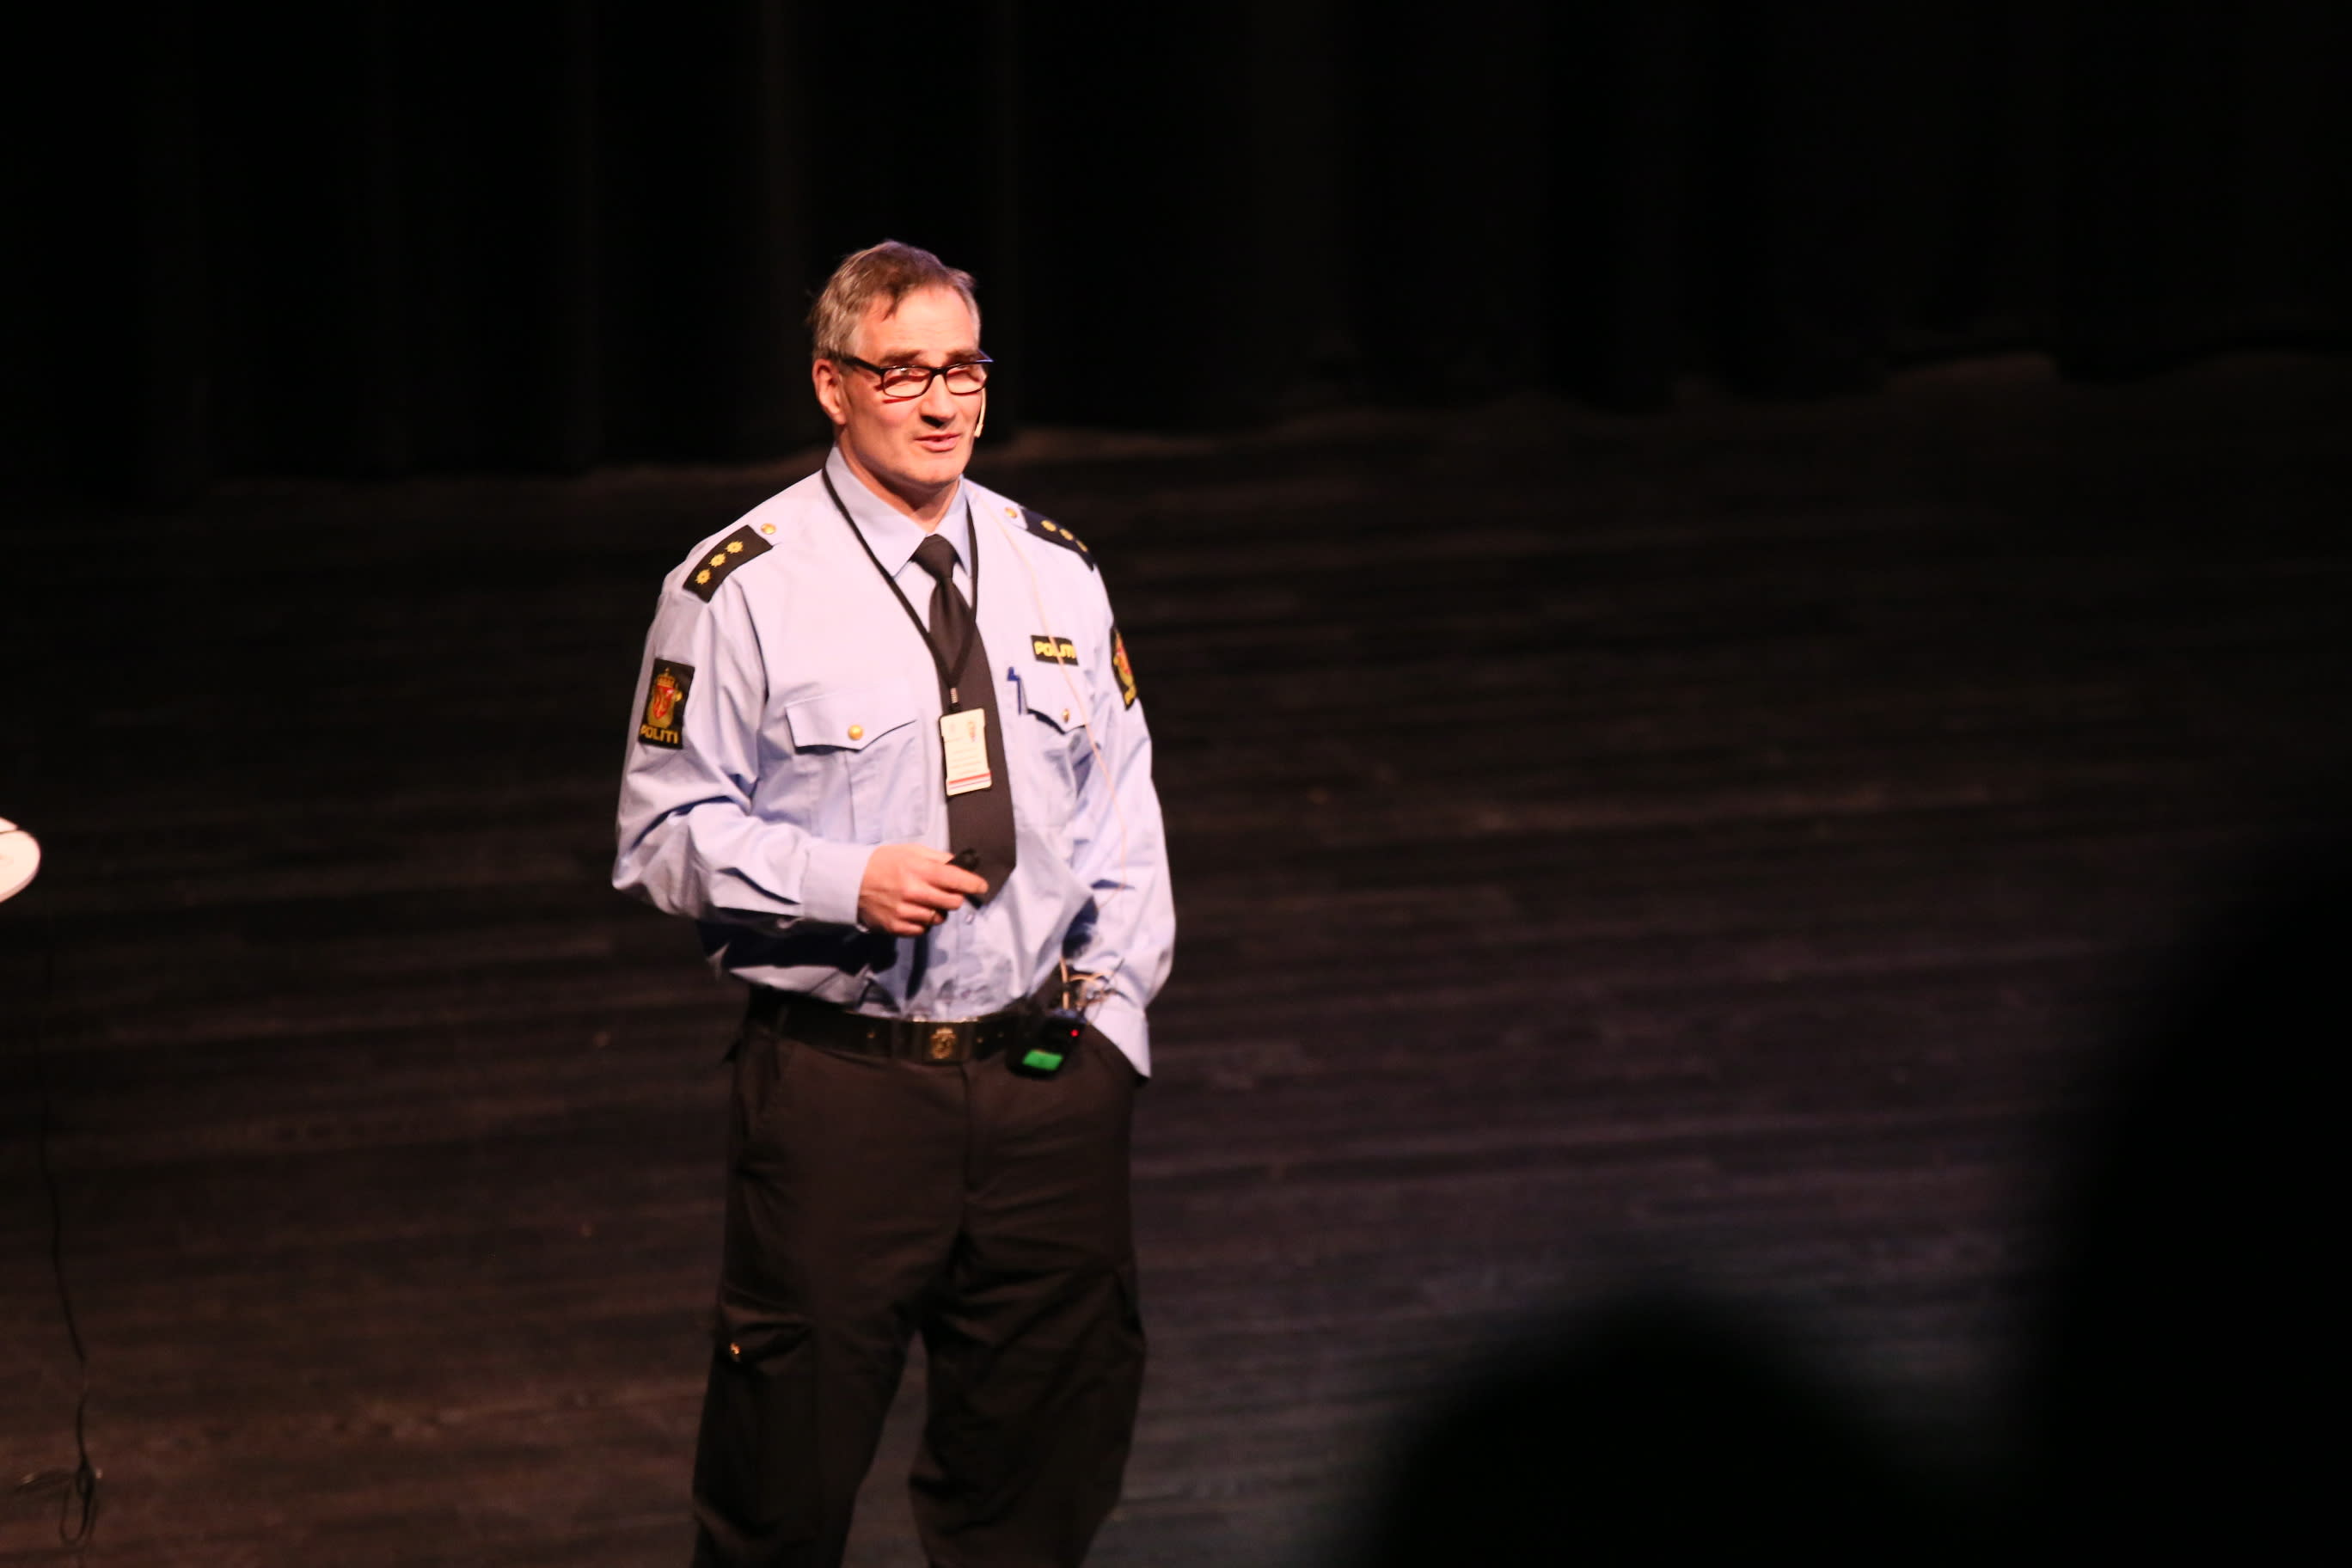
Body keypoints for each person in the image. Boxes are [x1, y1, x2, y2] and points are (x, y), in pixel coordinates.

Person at [612, 240, 1174, 1567]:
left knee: (1039, 1478)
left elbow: (1122, 818)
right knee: (781, 1485)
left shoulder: (1053, 569)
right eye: (902, 372)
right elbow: (661, 837)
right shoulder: (739, 589)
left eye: (962, 370)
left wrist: (1108, 1024)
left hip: (1044, 1079)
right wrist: (840, 880)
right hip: (846, 1092)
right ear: (833, 384)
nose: (940, 404)